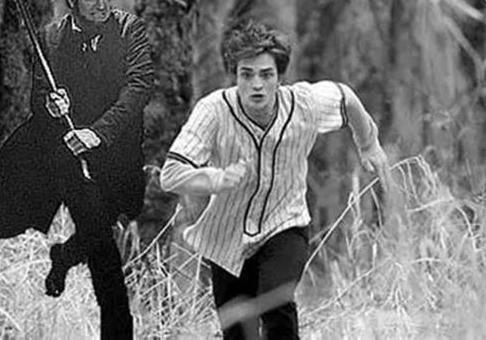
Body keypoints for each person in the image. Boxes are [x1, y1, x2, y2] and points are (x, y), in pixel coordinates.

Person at [159, 20, 388, 339]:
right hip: (227, 235)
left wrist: (368, 143)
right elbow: (170, 175)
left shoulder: (304, 104)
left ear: (280, 78)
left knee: (275, 302)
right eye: (246, 74)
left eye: (266, 75)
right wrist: (214, 179)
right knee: (238, 330)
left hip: (285, 223)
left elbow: (345, 97)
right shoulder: (213, 111)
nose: (257, 85)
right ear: (235, 76)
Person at [0, 0, 153, 340]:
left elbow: (139, 87)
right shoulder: (52, 38)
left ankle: (63, 256)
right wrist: (52, 105)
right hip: (71, 156)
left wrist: (97, 133)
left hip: (116, 149)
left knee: (122, 207)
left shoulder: (130, 30)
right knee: (104, 251)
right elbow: (38, 98)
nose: (101, 5)